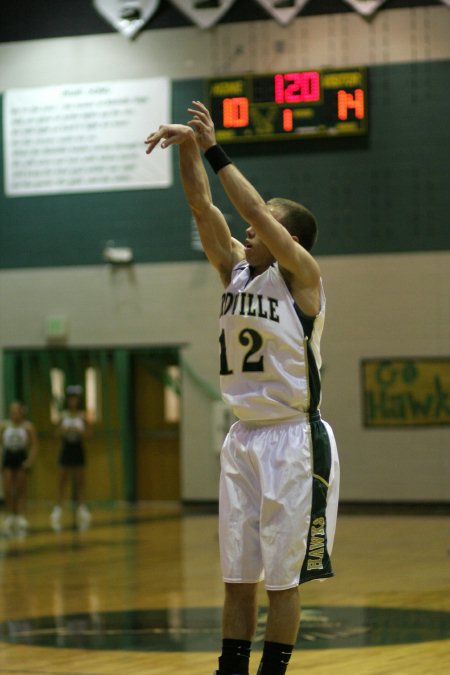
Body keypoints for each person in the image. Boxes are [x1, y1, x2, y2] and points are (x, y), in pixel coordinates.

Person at [145, 101, 340, 675]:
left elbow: (246, 203)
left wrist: (214, 146)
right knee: (236, 575)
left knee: (282, 580)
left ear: (289, 237)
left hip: (293, 439)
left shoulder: (303, 277)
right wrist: (187, 147)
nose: (248, 227)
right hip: (244, 438)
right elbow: (202, 204)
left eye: (263, 224)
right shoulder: (234, 267)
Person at [50, 385, 92, 531]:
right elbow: (55, 434)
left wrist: (81, 431)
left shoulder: (83, 416)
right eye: (70, 399)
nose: (73, 402)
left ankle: (81, 506)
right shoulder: (63, 416)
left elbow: (89, 435)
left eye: (75, 399)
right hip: (66, 449)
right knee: (62, 479)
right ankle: (58, 507)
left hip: (78, 449)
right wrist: (64, 430)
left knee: (80, 479)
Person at [0, 401, 38, 534]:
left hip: (21, 457)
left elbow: (34, 445)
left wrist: (29, 461)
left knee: (21, 487)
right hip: (8, 457)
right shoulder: (4, 425)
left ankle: (21, 515)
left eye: (17, 411)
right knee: (8, 487)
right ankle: (12, 514)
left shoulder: (28, 427)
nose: (15, 414)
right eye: (13, 412)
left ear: (22, 412)